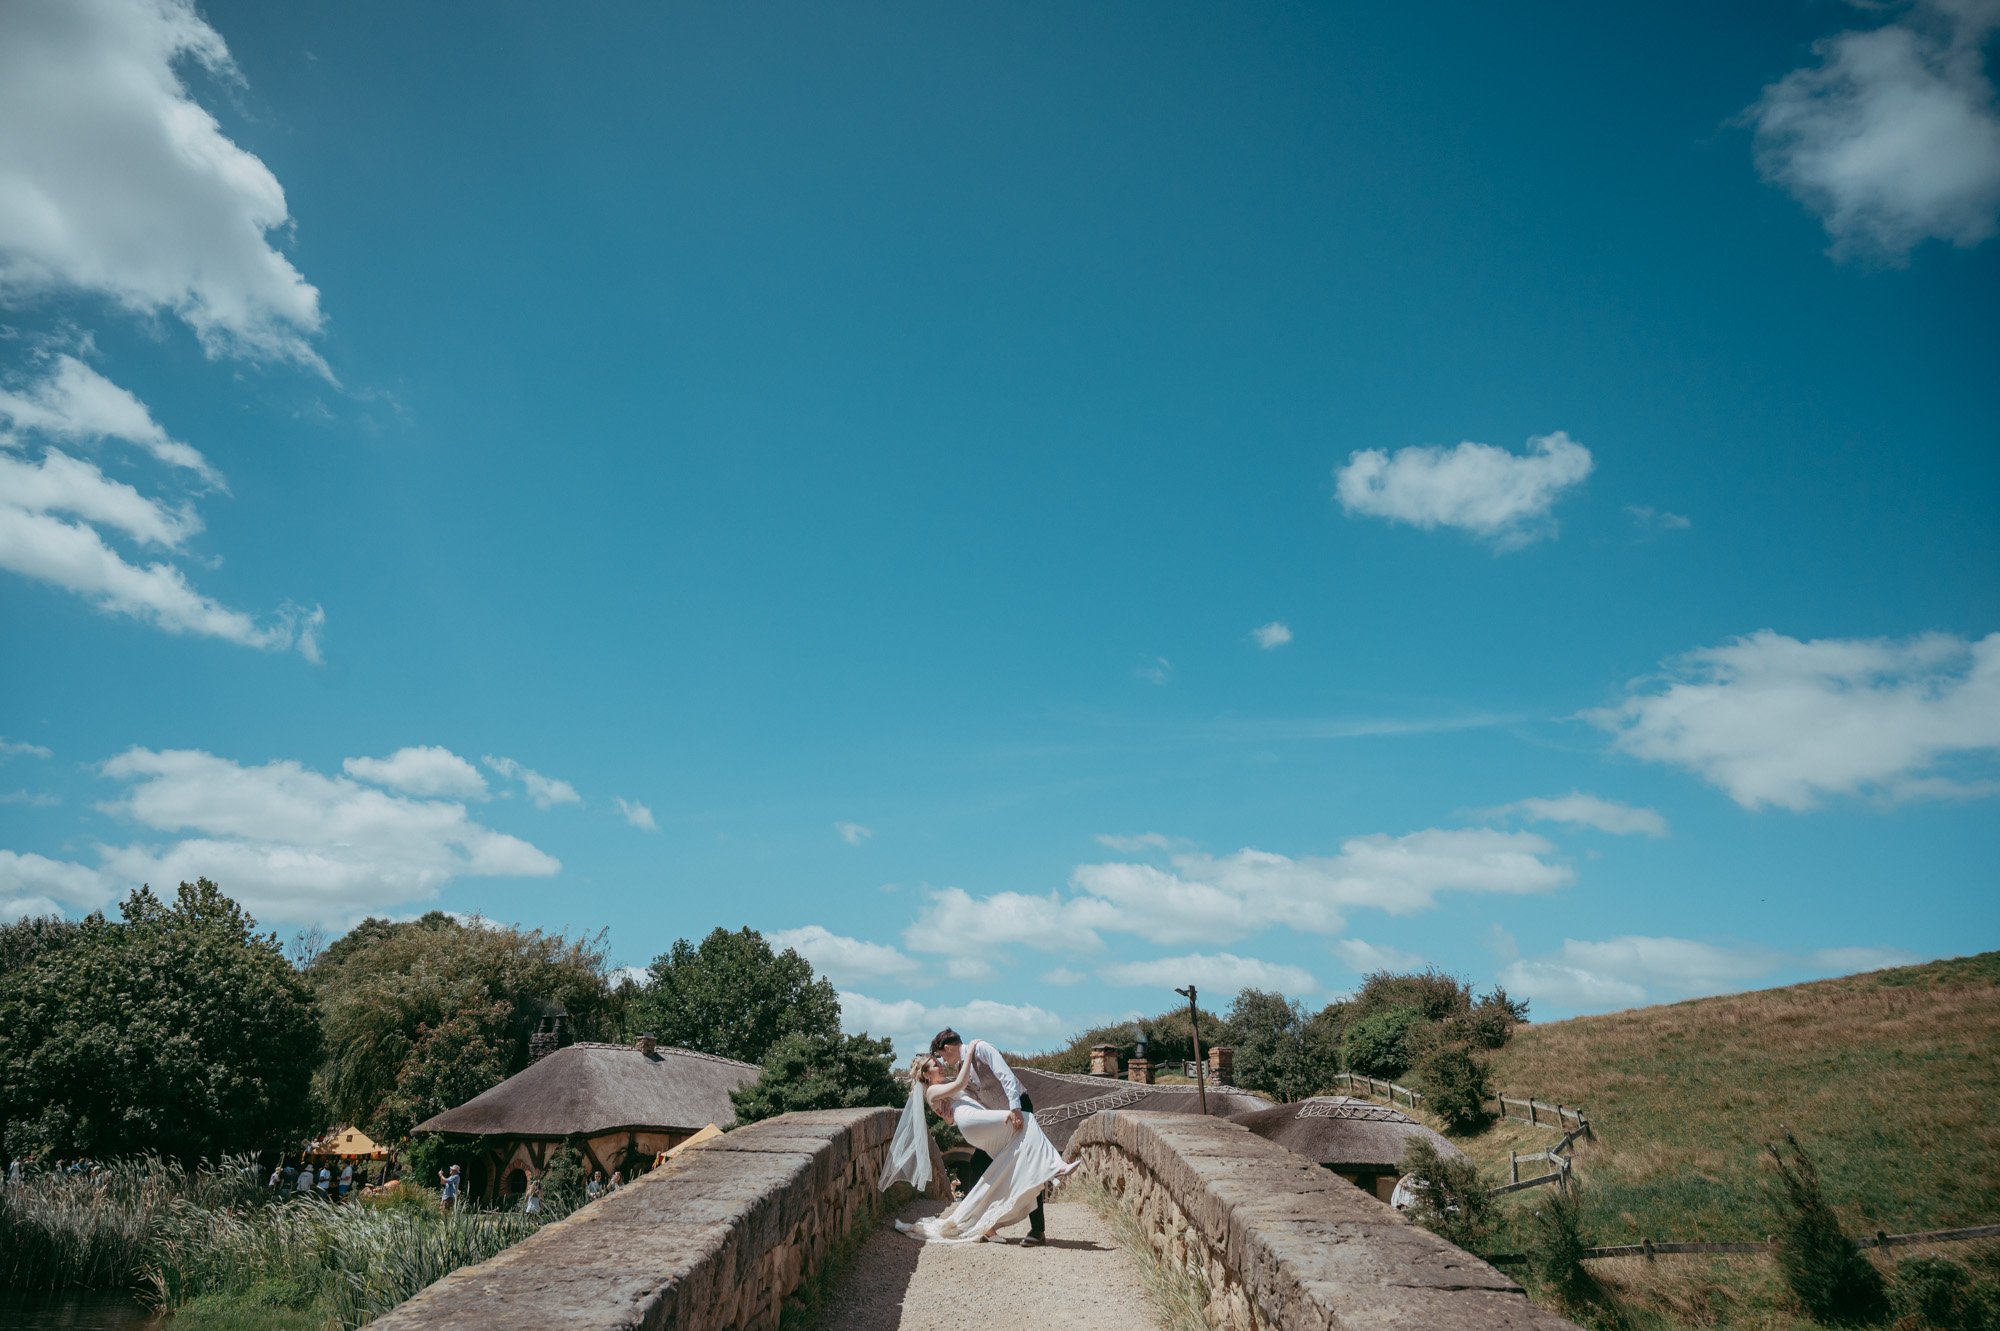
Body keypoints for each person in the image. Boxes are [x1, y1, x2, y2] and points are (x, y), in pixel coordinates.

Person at [886, 1037, 1076, 1246]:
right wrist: (969, 1053)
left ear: (948, 1048)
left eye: (940, 1060)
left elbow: (1001, 1078)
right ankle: (1056, 1168)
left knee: (1010, 1160)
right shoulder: (936, 1087)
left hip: (987, 1117)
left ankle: (989, 1226)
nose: (942, 1065)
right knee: (1027, 1123)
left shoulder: (978, 1054)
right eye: (936, 1064)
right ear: (925, 1074)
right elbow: (961, 1086)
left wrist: (949, 1119)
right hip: (976, 1121)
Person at [936, 1027, 1051, 1245]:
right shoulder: (962, 1067)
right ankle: (976, 1225)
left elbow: (1005, 1075)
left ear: (948, 1047)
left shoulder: (981, 1049)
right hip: (999, 1120)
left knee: (1026, 1166)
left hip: (1019, 1108)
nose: (944, 1060)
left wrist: (1015, 1108)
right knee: (978, 1163)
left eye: (942, 1055)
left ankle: (1038, 1231)